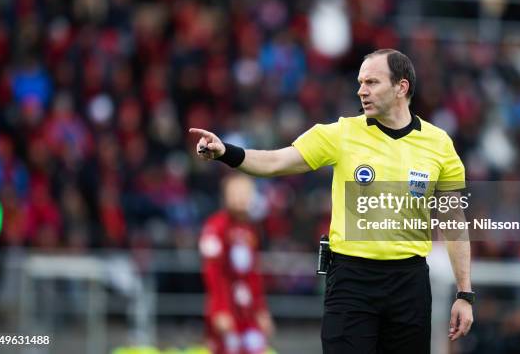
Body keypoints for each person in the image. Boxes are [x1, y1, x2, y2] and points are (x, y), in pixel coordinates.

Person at [190, 49, 473, 353]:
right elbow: (275, 162)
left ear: (401, 87)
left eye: (372, 82)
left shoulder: (439, 144)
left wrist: (464, 294)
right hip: (352, 280)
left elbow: (453, 221)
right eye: (360, 82)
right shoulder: (341, 134)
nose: (361, 90)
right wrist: (226, 152)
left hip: (409, 283)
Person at [199, 174, 275, 354]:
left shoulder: (250, 229)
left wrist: (261, 310)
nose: (241, 197)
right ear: (225, 196)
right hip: (226, 305)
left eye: (246, 192)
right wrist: (220, 310)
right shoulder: (216, 227)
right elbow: (213, 272)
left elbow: (253, 274)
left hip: (247, 309)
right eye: (236, 192)